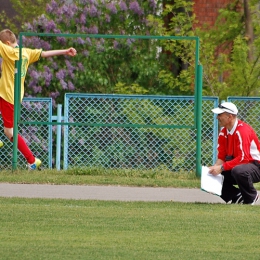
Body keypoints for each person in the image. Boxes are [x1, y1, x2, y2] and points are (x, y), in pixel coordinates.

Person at [0, 29, 77, 170]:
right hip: (15, 95)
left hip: (7, 95)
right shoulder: (26, 52)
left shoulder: (10, 52)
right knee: (8, 130)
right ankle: (31, 160)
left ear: (6, 43)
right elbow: (45, 53)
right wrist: (65, 51)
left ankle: (31, 160)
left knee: (9, 131)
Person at [208, 101, 260, 205]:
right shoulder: (223, 132)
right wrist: (215, 168)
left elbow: (243, 158)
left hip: (256, 166)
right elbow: (221, 157)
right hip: (241, 165)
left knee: (238, 170)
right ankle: (236, 196)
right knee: (210, 175)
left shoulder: (242, 131)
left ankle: (251, 197)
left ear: (230, 116)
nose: (217, 117)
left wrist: (221, 168)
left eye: (220, 115)